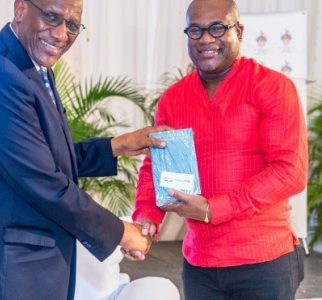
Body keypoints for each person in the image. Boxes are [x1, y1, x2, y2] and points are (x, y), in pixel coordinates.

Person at [0, 0, 169, 299]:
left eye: (72, 24)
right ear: (21, 9)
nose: (61, 34)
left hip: (12, 264)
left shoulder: (29, 62)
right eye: (51, 17)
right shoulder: (1, 76)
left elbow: (45, 157)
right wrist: (122, 233)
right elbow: (45, 182)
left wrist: (118, 146)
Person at [128, 0, 308, 299]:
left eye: (216, 28)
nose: (206, 39)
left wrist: (215, 209)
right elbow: (156, 164)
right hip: (200, 262)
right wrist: (147, 217)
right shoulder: (173, 99)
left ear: (238, 31)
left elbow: (290, 172)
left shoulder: (273, 87)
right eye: (195, 30)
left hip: (263, 261)